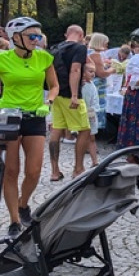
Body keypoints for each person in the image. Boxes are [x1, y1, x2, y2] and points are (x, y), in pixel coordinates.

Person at [0, 17, 58, 235]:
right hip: (9, 117)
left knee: (33, 171)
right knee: (11, 171)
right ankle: (14, 220)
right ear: (16, 38)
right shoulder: (3, 59)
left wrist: (49, 102)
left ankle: (23, 204)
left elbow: (54, 86)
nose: (37, 40)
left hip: (35, 115)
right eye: (32, 36)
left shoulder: (44, 57)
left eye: (38, 36)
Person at [48, 24, 91, 180]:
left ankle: (54, 171)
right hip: (70, 94)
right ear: (81, 35)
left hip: (56, 93)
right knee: (85, 130)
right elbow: (75, 70)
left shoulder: (54, 48)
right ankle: (78, 169)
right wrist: (74, 95)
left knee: (56, 130)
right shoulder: (79, 48)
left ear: (67, 34)